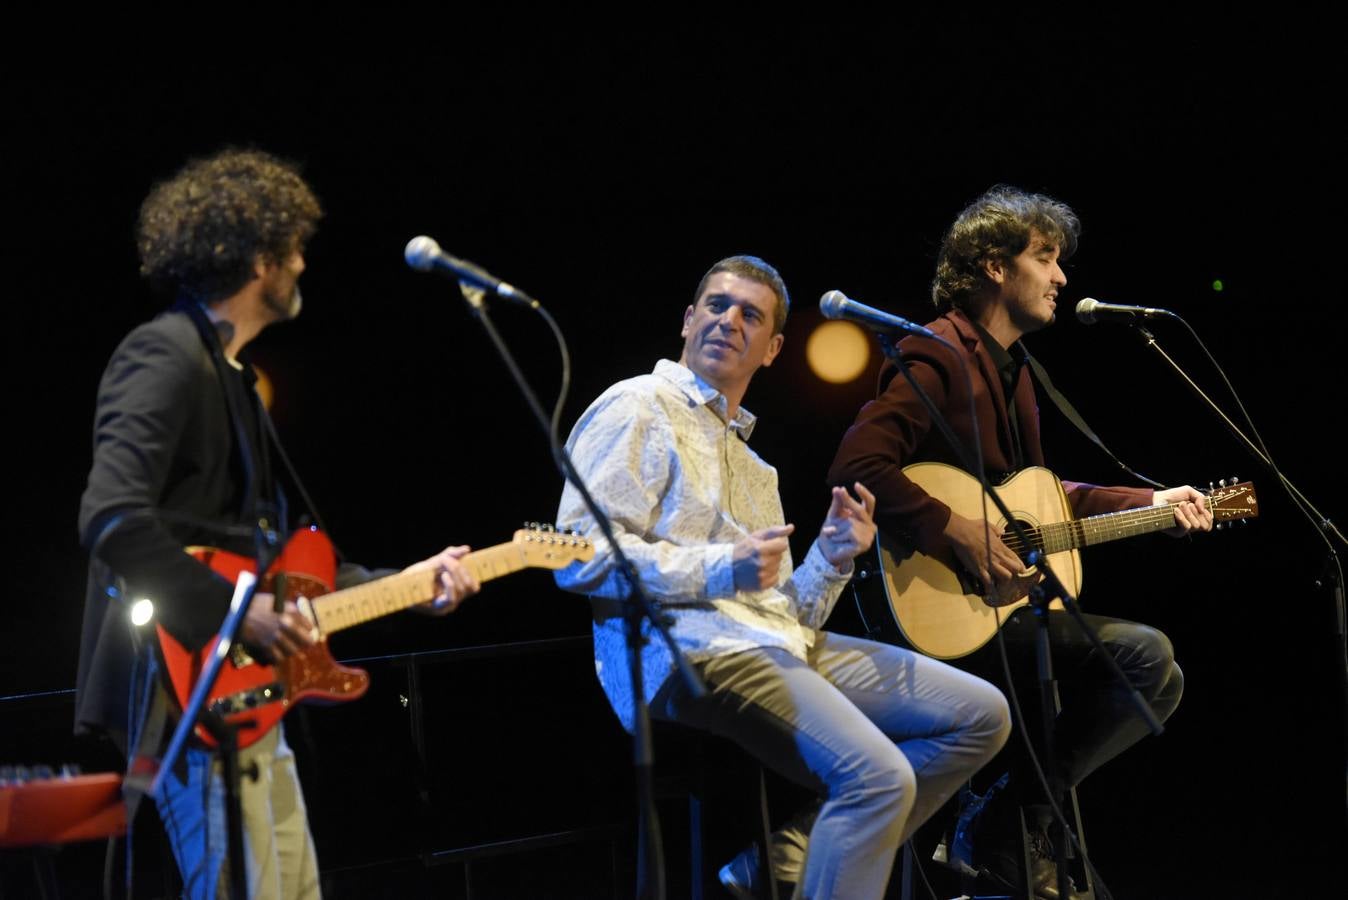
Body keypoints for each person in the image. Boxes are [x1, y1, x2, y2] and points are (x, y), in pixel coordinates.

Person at [75, 148, 481, 900]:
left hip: (250, 709)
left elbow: (290, 570)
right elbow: (110, 518)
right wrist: (237, 616)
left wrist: (409, 585)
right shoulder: (163, 353)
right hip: (185, 701)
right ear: (260, 256)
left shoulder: (233, 378)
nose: (302, 262)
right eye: (294, 247)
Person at [554, 255, 1011, 899]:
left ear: (771, 349)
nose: (728, 321)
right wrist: (723, 567)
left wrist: (832, 557)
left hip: (767, 646)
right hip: (685, 653)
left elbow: (787, 620)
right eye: (716, 305)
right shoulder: (637, 406)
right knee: (878, 776)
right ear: (688, 321)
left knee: (983, 714)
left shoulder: (755, 467)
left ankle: (791, 858)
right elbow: (575, 555)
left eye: (750, 315)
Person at [828, 185, 1213, 897]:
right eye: (1046, 257)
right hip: (938, 606)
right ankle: (1011, 817)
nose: (1062, 278)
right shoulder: (937, 351)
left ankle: (1014, 817)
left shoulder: (1016, 371)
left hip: (1001, 607)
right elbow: (858, 467)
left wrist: (1153, 502)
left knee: (1158, 672)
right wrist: (957, 530)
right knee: (1144, 658)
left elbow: (1037, 496)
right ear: (994, 266)